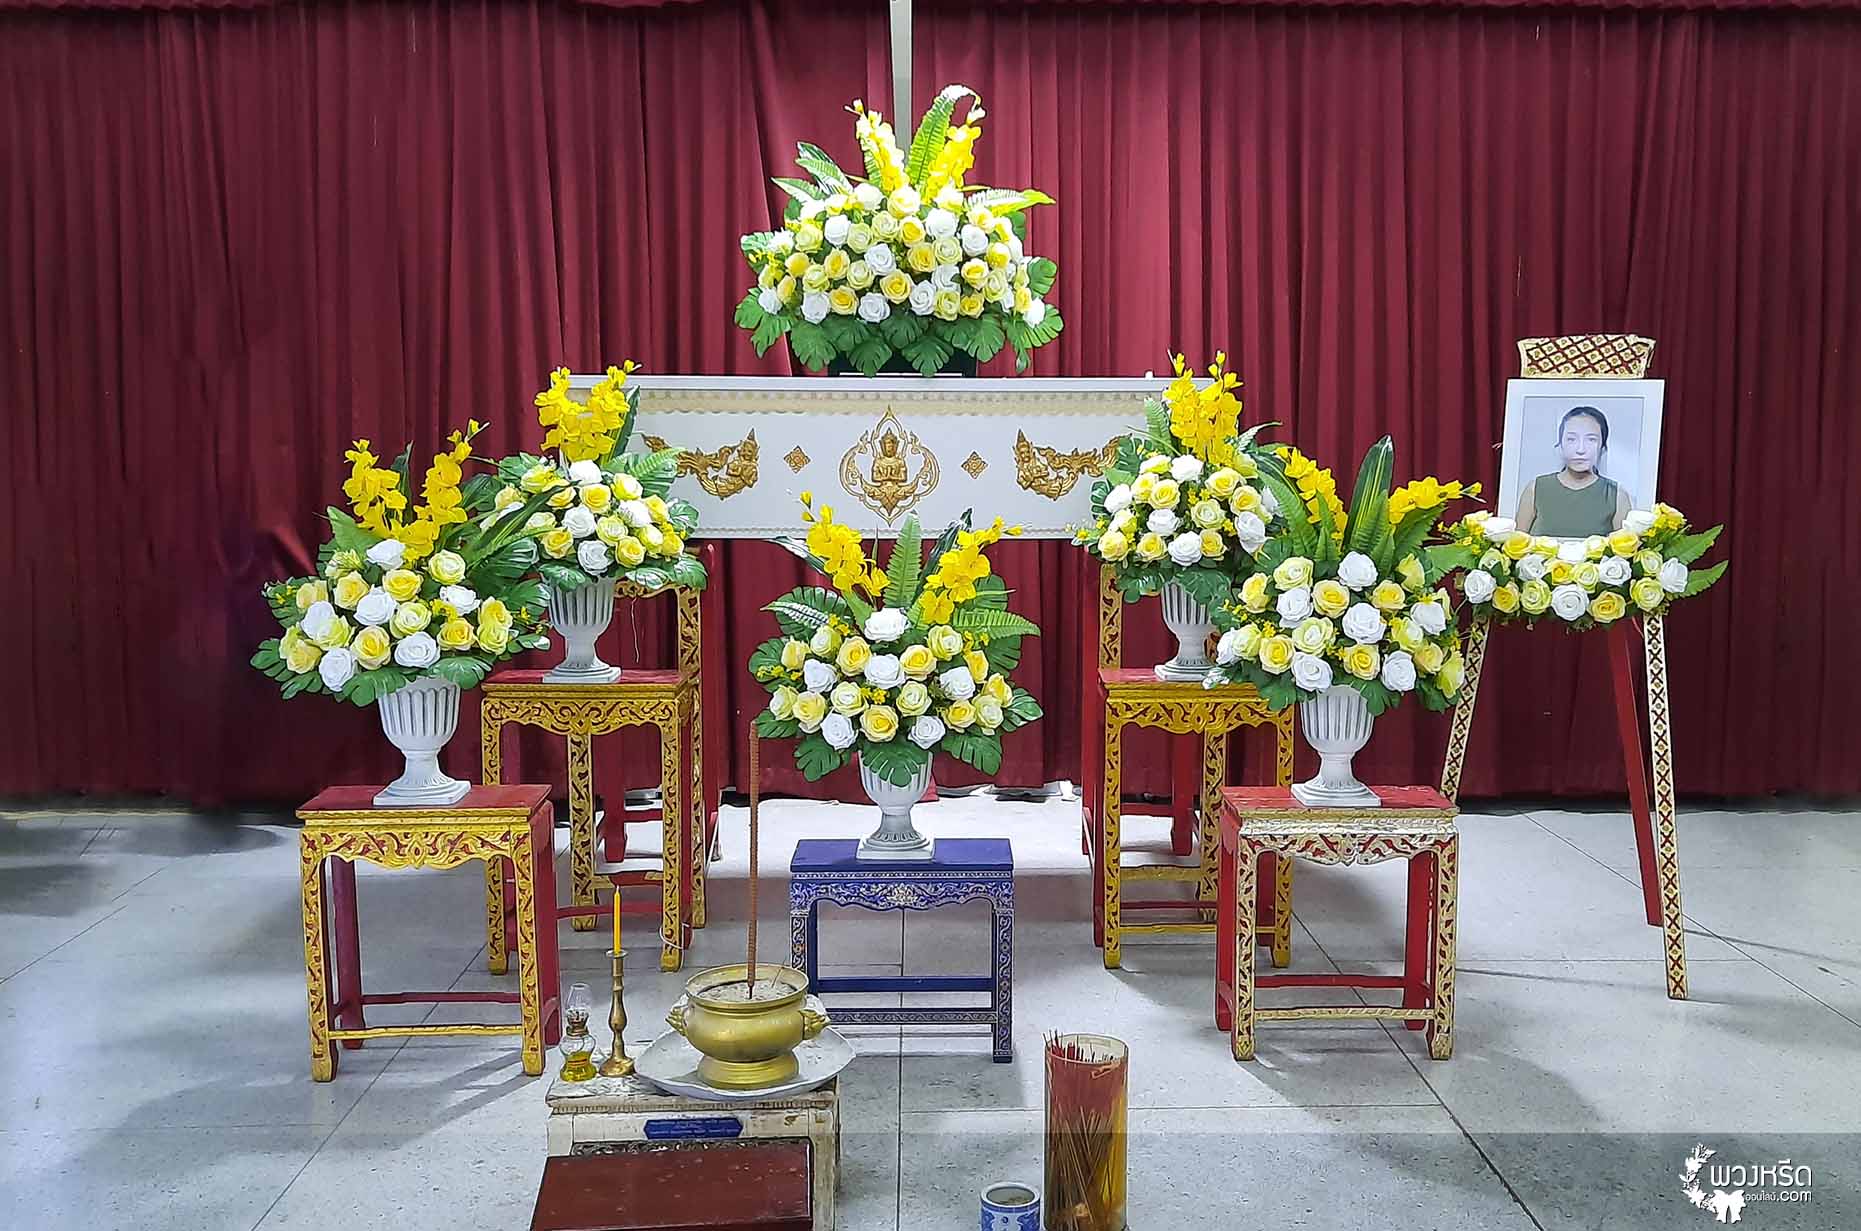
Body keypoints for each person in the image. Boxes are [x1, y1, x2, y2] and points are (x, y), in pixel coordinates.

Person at [1515, 405, 1630, 537]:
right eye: (1571, 439)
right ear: (1561, 445)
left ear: (1602, 448)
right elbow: (1516, 544)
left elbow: (1625, 548)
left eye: (1591, 439)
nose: (1580, 449)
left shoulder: (1616, 495)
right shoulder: (1535, 489)